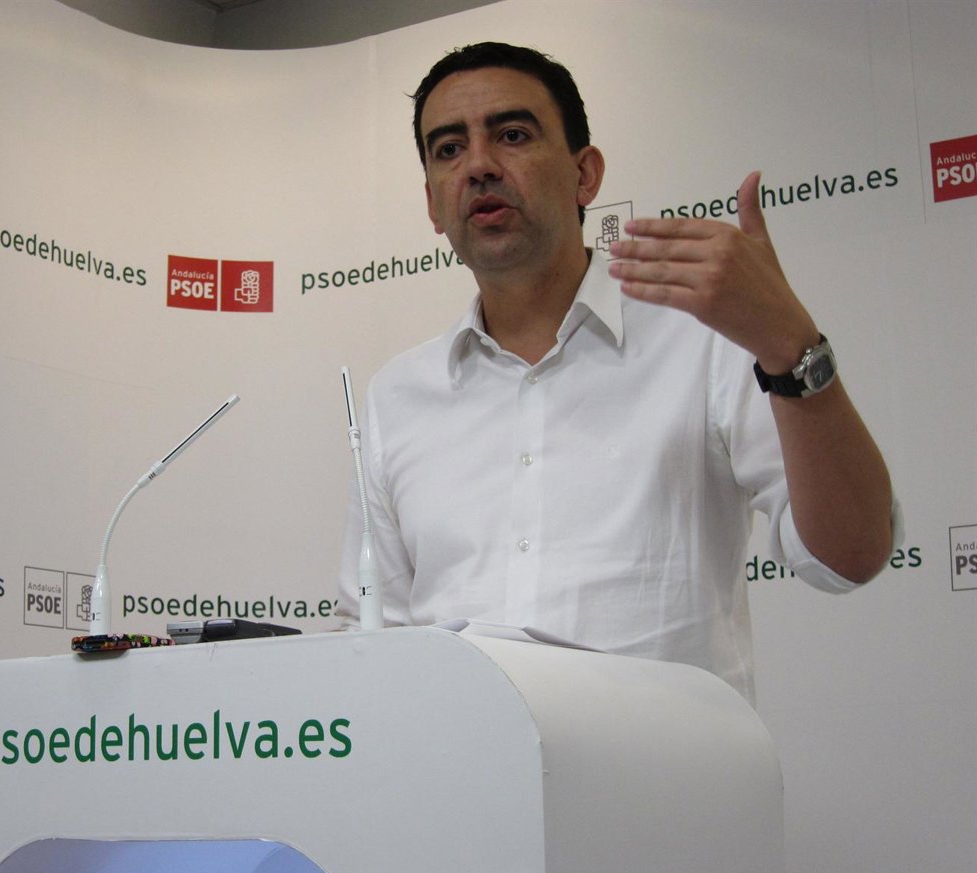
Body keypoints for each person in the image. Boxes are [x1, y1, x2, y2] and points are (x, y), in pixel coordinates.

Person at [336, 42, 897, 703]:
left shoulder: (705, 337)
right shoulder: (398, 395)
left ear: (585, 175)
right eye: (449, 149)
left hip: (667, 765)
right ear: (433, 204)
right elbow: (372, 638)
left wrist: (790, 345)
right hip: (462, 765)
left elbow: (849, 557)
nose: (479, 165)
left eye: (512, 135)